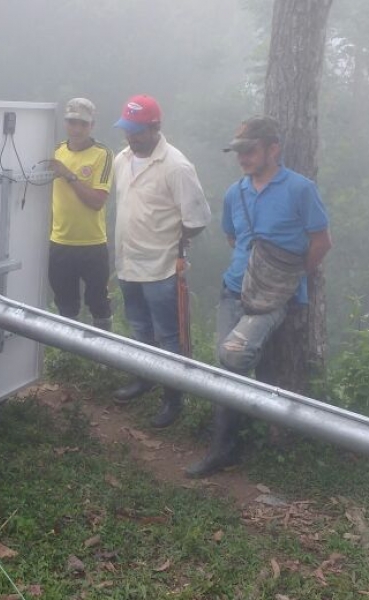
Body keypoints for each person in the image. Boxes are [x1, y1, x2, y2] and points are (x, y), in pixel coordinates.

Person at [186, 117, 332, 478]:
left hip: (275, 297)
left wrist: (290, 279)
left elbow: (321, 243)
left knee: (232, 356)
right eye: (239, 152)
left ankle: (226, 445)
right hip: (232, 288)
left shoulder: (300, 189)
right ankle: (228, 445)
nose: (243, 158)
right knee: (226, 368)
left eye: (250, 151)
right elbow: (234, 239)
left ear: (273, 148)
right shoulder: (236, 192)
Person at [111, 95, 212, 428]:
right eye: (127, 130)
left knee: (169, 335)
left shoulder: (177, 166)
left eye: (137, 131)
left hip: (162, 268)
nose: (131, 137)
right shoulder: (122, 159)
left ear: (155, 127)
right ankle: (145, 377)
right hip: (128, 261)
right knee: (139, 327)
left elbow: (196, 219)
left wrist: (172, 243)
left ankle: (173, 398)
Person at [47, 98, 114, 330]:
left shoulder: (102, 154)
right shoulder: (55, 151)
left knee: (99, 306)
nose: (77, 129)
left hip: (92, 243)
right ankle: (69, 359)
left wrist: (69, 175)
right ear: (65, 123)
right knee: (65, 307)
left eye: (83, 124)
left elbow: (97, 201)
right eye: (72, 122)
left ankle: (105, 360)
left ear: (92, 126)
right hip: (60, 241)